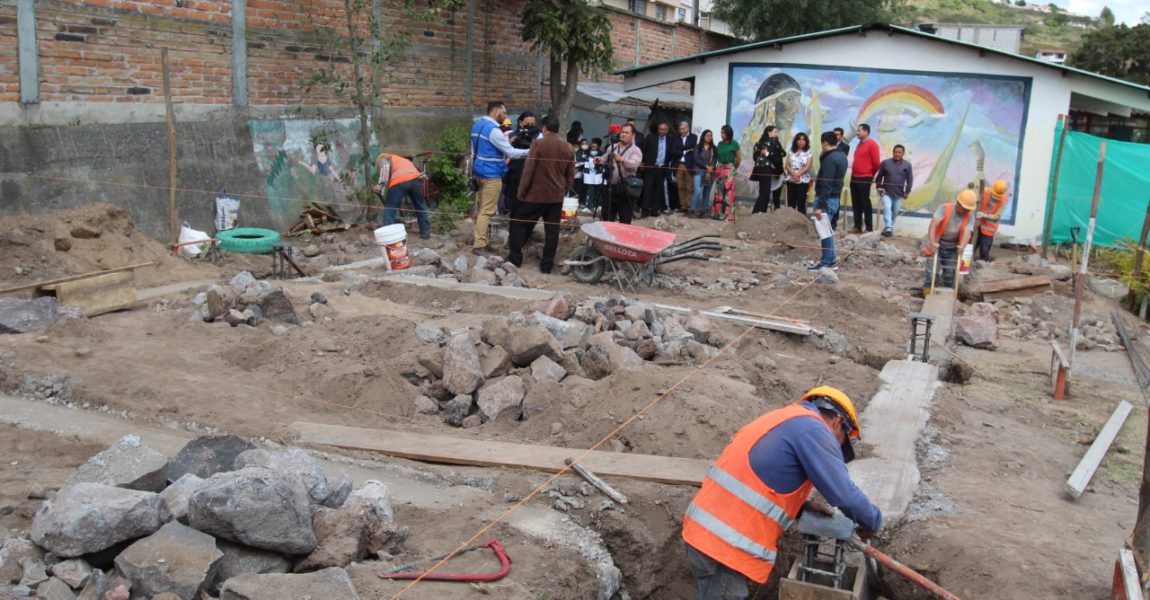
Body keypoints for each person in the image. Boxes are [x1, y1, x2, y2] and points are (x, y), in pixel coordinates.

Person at [683, 386, 882, 599]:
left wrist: (800, 507)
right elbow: (843, 493)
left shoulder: (786, 418)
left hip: (710, 535)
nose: (837, 447)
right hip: (723, 545)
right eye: (842, 441)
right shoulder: (814, 429)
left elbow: (764, 475)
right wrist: (872, 519)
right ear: (838, 422)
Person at [507, 115, 574, 275]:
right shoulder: (567, 147)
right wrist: (565, 190)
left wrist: (521, 193)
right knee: (552, 232)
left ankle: (515, 258)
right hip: (556, 196)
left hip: (536, 195)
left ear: (544, 127)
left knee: (519, 224)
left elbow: (528, 171)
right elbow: (570, 173)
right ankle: (547, 266)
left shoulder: (538, 144)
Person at [470, 101, 530, 256]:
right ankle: (479, 245)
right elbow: (511, 153)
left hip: (479, 171)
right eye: (503, 112)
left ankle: (482, 241)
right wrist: (532, 151)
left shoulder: (477, 126)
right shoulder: (494, 130)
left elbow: (478, 150)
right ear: (495, 111)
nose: (505, 115)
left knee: (482, 209)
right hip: (491, 174)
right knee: (487, 211)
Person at [923, 189, 976, 290]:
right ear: (958, 203)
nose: (965, 211)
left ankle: (946, 296)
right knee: (931, 273)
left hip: (952, 248)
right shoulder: (944, 208)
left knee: (949, 275)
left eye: (968, 209)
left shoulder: (970, 216)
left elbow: (968, 233)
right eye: (964, 208)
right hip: (937, 243)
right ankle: (927, 294)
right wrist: (933, 243)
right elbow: (933, 225)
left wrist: (962, 246)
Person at [810, 131, 847, 271]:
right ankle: (830, 259)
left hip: (826, 199)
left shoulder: (830, 159)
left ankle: (826, 261)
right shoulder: (841, 155)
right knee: (828, 231)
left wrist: (820, 205)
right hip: (834, 198)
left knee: (824, 232)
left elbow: (827, 184)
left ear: (825, 143)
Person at [373, 152, 431, 240]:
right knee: (420, 206)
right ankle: (425, 233)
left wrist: (380, 185)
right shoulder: (401, 159)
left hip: (400, 181)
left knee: (390, 208)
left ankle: (388, 237)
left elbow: (385, 169)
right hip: (416, 180)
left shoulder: (382, 158)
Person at [595, 123, 643, 224]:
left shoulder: (636, 150)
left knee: (625, 219)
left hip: (626, 189)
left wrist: (622, 159)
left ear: (633, 135)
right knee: (607, 216)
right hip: (611, 187)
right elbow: (604, 158)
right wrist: (598, 160)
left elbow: (634, 164)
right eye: (622, 132)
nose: (623, 134)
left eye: (627, 132)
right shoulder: (613, 147)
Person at [873, 144, 913, 238]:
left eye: (899, 152)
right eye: (895, 152)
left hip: (899, 194)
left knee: (894, 213)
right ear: (893, 152)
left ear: (903, 153)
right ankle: (889, 229)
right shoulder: (885, 163)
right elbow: (879, 177)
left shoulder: (907, 165)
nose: (897, 154)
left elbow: (909, 180)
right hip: (886, 192)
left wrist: (907, 191)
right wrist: (879, 187)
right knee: (887, 207)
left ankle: (889, 228)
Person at [503, 111, 538, 217]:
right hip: (515, 172)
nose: (530, 126)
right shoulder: (510, 135)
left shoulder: (538, 136)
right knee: (514, 201)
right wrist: (511, 142)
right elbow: (504, 152)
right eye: (528, 123)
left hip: (532, 173)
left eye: (533, 124)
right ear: (521, 122)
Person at [849, 123, 881, 234]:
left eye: (859, 131)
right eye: (857, 131)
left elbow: (877, 162)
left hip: (865, 177)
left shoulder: (872, 144)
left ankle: (868, 227)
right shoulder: (859, 144)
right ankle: (857, 226)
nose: (857, 132)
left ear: (866, 132)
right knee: (855, 202)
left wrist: (870, 174)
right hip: (854, 177)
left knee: (865, 202)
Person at [641, 121, 674, 218]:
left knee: (658, 189)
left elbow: (671, 154)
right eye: (659, 129)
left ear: (667, 131)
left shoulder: (670, 140)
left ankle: (655, 209)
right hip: (650, 167)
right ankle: (645, 210)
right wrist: (642, 162)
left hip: (662, 168)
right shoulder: (650, 138)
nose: (661, 131)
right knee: (648, 189)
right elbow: (643, 150)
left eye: (663, 129)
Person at [751, 125, 785, 213]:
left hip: (759, 169)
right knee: (765, 192)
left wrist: (764, 154)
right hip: (766, 169)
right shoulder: (774, 142)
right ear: (769, 132)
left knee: (763, 190)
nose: (777, 134)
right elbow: (781, 154)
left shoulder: (759, 142)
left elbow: (755, 157)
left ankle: (761, 212)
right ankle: (757, 212)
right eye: (775, 132)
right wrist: (768, 154)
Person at [974, 179, 1009, 261]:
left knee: (984, 248)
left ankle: (983, 266)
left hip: (989, 228)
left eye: (997, 197)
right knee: (971, 246)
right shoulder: (984, 192)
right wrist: (976, 201)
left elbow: (997, 216)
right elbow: (974, 202)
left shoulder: (1004, 200)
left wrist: (984, 215)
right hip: (977, 224)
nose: (995, 198)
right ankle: (965, 265)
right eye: (993, 196)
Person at [712, 125, 741, 222]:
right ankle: (718, 214)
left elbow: (738, 159)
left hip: (729, 167)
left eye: (723, 133)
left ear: (728, 133)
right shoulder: (719, 144)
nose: (721, 134)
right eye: (721, 132)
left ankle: (728, 215)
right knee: (719, 191)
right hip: (719, 167)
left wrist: (733, 168)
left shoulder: (734, 144)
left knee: (729, 192)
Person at [689, 129, 717, 219]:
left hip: (710, 173)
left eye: (711, 135)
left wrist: (709, 170)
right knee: (697, 191)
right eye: (707, 135)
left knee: (707, 193)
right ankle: (692, 210)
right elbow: (696, 159)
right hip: (698, 171)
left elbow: (714, 160)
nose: (709, 137)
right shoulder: (698, 146)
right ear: (703, 136)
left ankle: (703, 212)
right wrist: (706, 166)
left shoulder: (714, 148)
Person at [785, 132, 813, 215]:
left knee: (801, 202)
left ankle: (801, 223)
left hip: (803, 180)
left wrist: (797, 174)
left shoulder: (809, 152)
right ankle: (791, 221)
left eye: (803, 140)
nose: (801, 141)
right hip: (791, 179)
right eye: (799, 139)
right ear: (796, 141)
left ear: (806, 141)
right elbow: (787, 165)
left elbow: (808, 166)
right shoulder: (791, 151)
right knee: (791, 203)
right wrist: (793, 174)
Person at [675, 121, 698, 214]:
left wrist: (681, 150)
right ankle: (683, 205)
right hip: (679, 164)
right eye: (680, 129)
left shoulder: (693, 137)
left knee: (689, 186)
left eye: (683, 129)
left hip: (689, 165)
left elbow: (693, 148)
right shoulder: (676, 138)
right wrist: (686, 151)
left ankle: (689, 205)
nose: (681, 131)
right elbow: (673, 151)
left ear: (687, 128)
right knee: (680, 186)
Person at [583, 138, 607, 215]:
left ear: (598, 146)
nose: (593, 145)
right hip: (589, 177)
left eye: (595, 144)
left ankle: (596, 206)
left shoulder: (602, 155)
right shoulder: (586, 154)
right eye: (593, 143)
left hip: (598, 176)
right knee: (590, 192)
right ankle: (589, 206)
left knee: (597, 192)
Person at [573, 138, 592, 205]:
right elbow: (577, 162)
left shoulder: (590, 153)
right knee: (577, 189)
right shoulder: (577, 152)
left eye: (586, 144)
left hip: (587, 174)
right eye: (582, 144)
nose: (584, 145)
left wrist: (582, 164)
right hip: (578, 175)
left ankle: (583, 202)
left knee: (585, 189)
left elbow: (589, 162)